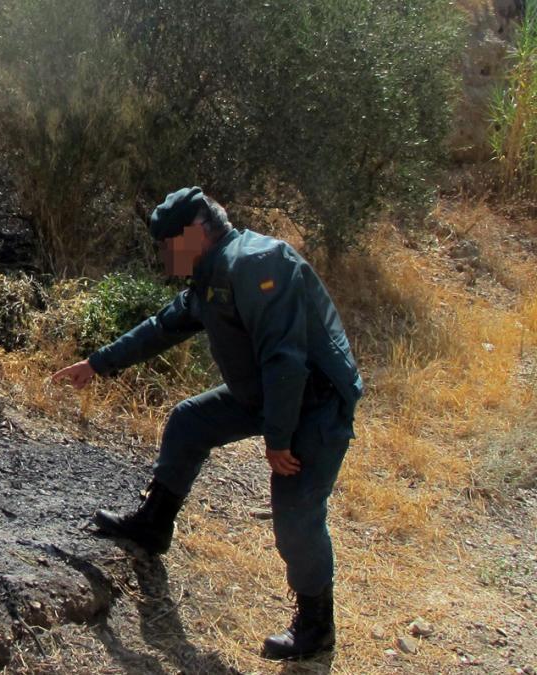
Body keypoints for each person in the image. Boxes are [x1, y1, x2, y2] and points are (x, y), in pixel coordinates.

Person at [52, 187, 363, 661]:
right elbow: (162, 327)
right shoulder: (210, 276)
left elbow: (286, 358)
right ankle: (153, 526)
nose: (163, 255)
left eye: (168, 244)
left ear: (197, 233)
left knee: (296, 513)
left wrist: (279, 440)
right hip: (267, 392)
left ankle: (316, 627)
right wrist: (96, 364)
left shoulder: (255, 263)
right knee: (190, 421)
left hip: (315, 403)